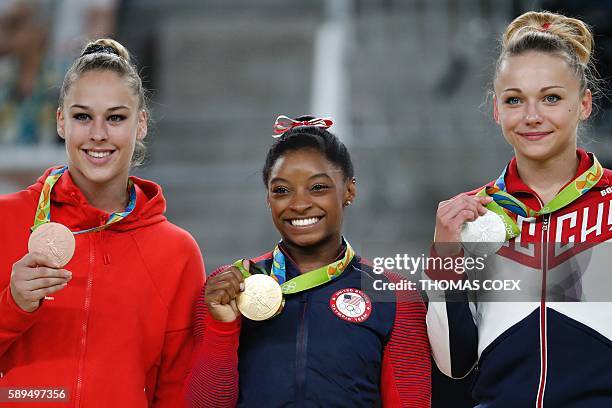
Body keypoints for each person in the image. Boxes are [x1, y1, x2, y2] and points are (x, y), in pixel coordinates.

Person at [0, 39, 205, 407]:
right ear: (60, 121)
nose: (98, 134)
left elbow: (177, 390)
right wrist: (12, 306)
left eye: (115, 117)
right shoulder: (6, 220)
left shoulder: (177, 252)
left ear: (140, 123)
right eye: (82, 116)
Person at [427, 11, 612, 407]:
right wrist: (445, 255)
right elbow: (454, 363)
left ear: (583, 104)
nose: (531, 116)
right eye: (515, 100)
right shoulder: (473, 216)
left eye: (551, 98)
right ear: (497, 110)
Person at [185, 115, 431, 407]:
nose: (299, 204)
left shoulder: (393, 293)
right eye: (281, 190)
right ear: (268, 198)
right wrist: (222, 327)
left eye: (318, 188)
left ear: (349, 190)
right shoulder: (232, 286)